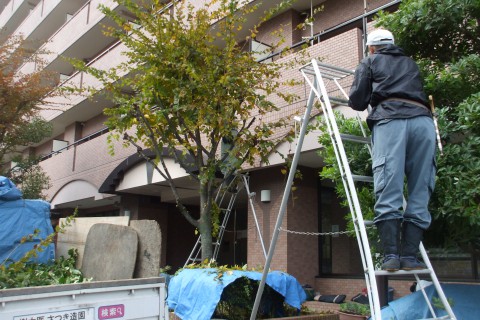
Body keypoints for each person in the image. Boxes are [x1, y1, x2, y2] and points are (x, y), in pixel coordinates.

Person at [348, 29, 437, 271]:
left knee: (389, 183)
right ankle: (409, 257)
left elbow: (357, 101)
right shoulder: (411, 63)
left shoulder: (370, 61)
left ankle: (391, 256)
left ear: (372, 48)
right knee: (421, 187)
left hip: (391, 120)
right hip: (423, 122)